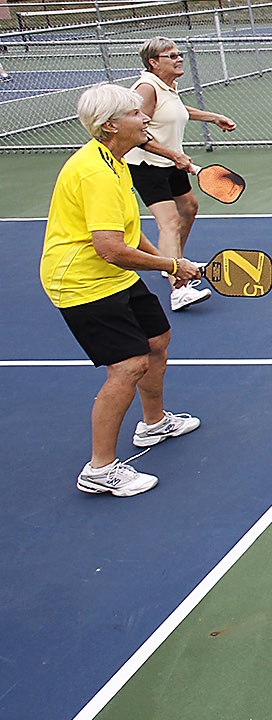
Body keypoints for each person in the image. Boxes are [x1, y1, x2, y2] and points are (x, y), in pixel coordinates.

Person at [41, 83, 208, 497]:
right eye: (136, 113)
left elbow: (127, 234)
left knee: (157, 340)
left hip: (111, 273)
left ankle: (154, 424)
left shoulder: (114, 160)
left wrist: (168, 268)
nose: (145, 117)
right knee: (129, 365)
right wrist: (172, 263)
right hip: (81, 280)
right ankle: (99, 469)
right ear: (110, 125)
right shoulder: (96, 172)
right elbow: (110, 248)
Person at [125, 36, 236, 311]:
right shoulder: (147, 88)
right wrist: (173, 155)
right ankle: (179, 290)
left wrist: (212, 117)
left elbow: (174, 111)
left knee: (189, 208)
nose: (179, 59)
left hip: (169, 162)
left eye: (178, 55)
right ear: (153, 62)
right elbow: (136, 133)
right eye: (171, 56)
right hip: (147, 166)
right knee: (170, 221)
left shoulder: (167, 86)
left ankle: (173, 262)